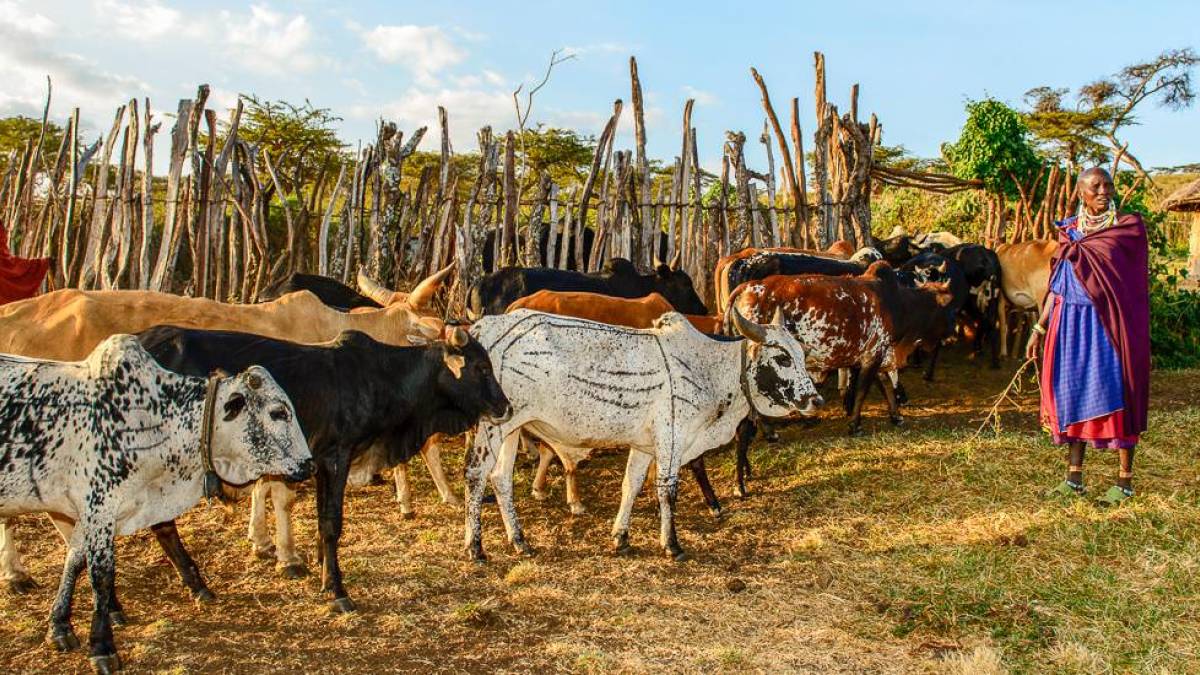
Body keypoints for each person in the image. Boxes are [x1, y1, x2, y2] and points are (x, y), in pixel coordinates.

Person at [1026, 167, 1151, 506]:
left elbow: (1133, 288)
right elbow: (1057, 285)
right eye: (1095, 186)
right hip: (1068, 323)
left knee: (1116, 395)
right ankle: (1074, 478)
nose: (1104, 190)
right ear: (1081, 192)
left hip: (1108, 325)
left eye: (1108, 184)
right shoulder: (1068, 232)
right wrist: (1040, 327)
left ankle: (1124, 483)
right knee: (1073, 396)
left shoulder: (1126, 230)